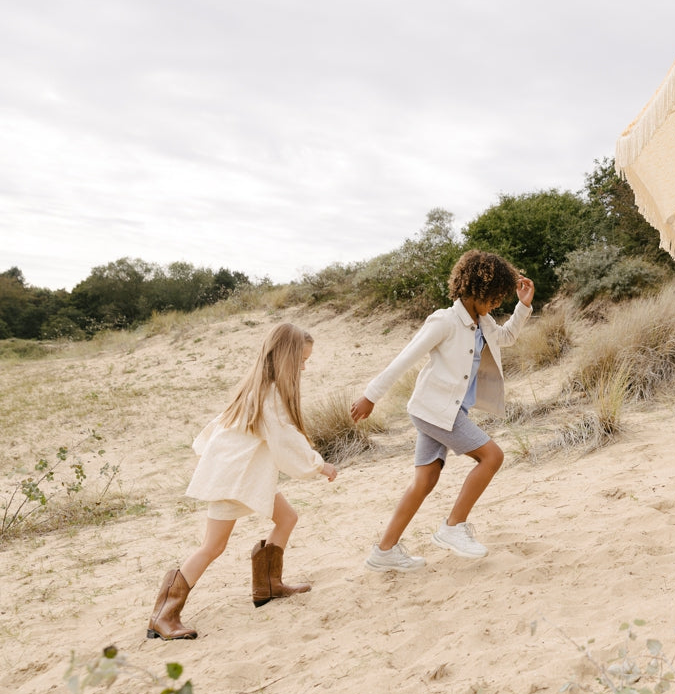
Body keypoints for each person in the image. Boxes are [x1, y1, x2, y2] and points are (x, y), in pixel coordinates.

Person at [146, 323, 338, 640]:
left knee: (287, 517)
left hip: (243, 474)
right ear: (286, 359)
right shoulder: (270, 395)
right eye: (302, 360)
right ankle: (164, 614)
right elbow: (285, 441)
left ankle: (268, 585)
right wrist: (319, 466)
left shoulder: (259, 387)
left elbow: (219, 429)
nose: (304, 367)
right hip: (232, 479)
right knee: (213, 546)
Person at [351, 249, 534, 569]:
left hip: (445, 412)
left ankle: (383, 552)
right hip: (434, 410)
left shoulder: (484, 321)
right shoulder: (444, 321)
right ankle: (453, 526)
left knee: (425, 480)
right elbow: (404, 359)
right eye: (495, 296)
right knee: (493, 456)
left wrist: (524, 305)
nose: (497, 304)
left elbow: (506, 338)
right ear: (478, 289)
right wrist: (371, 395)